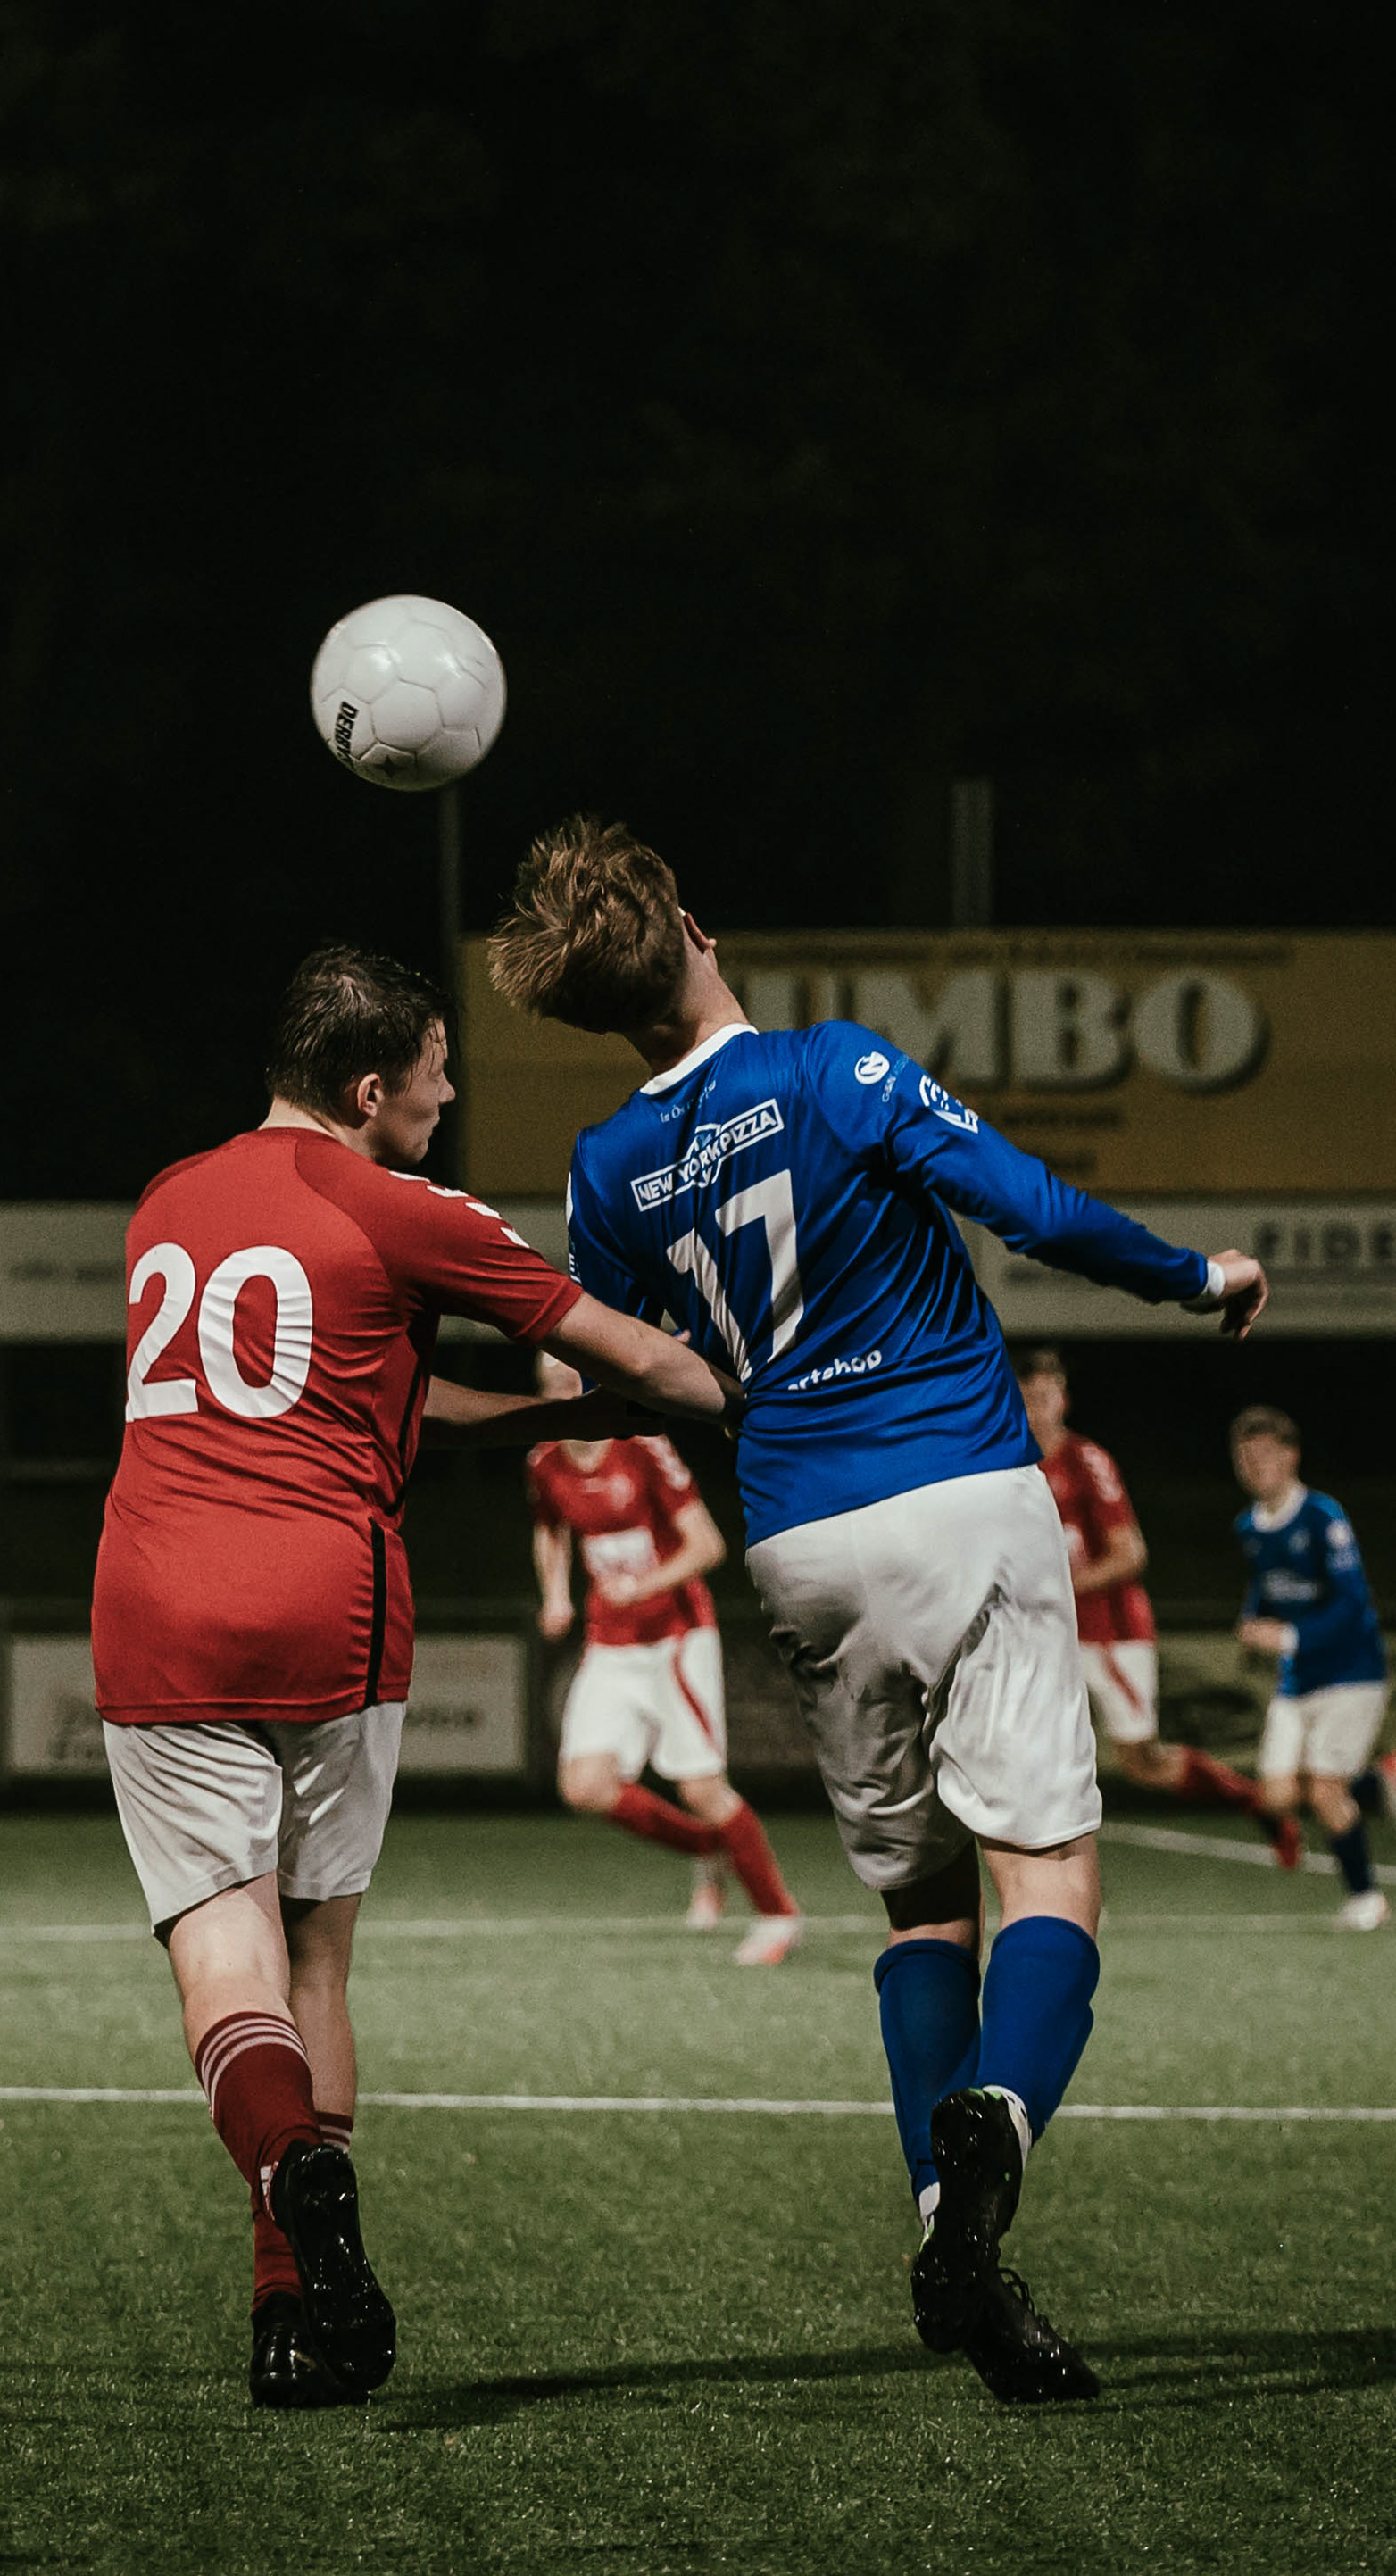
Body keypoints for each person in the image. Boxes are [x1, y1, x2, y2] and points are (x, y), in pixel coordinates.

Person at [487, 817, 1267, 2405]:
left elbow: (646, 1381)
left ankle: (946, 2229)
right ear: (695, 929)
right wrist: (1197, 1279)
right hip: (960, 1494)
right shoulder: (834, 1068)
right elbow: (1031, 1207)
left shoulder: (605, 1167)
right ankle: (998, 2128)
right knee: (1048, 1879)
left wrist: (480, 1423)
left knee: (921, 1907)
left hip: (797, 1536)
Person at [90, 943, 740, 2411]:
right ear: (371, 1088)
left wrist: (535, 1423)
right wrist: (778, 1401)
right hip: (327, 1604)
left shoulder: (165, 1202)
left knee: (224, 1968)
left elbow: (353, 1387)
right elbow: (641, 1358)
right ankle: (301, 2256)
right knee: (315, 1962)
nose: (450, 1103)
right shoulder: (402, 1209)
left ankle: (286, 2275)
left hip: (157, 1603)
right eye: (440, 1079)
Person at [527, 1352, 803, 1963]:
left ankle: (778, 1914)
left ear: (594, 1385)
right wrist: (555, 1595)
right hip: (610, 1642)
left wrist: (643, 1587)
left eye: (571, 1382)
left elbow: (708, 1546)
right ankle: (708, 1848)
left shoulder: (643, 1448)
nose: (561, 1395)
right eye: (550, 1385)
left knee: (700, 1786)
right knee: (584, 1786)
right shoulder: (544, 1460)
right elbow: (550, 1529)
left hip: (676, 1637)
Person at [1014, 1348, 1302, 1866]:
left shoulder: (1086, 1462)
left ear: (1063, 1400)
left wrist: (1059, 1586)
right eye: (1025, 1398)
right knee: (1034, 1749)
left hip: (1109, 1635)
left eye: (1044, 1397)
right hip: (1050, 1633)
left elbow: (1130, 1554)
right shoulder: (1009, 1464)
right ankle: (1057, 1870)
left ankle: (1254, 1802)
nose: (1035, 1409)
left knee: (1143, 1761)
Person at [1229, 1405, 1392, 1928]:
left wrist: (1290, 1637)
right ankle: (1379, 1781)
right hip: (1297, 1679)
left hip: (1351, 1673)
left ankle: (1366, 1899)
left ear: (1291, 1457)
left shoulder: (1323, 1517)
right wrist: (1252, 1621)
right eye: (1245, 1456)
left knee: (1324, 1790)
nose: (1254, 1465)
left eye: (1265, 1454)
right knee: (1275, 1795)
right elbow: (1266, 1587)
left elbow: (1352, 1601)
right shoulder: (1249, 1525)